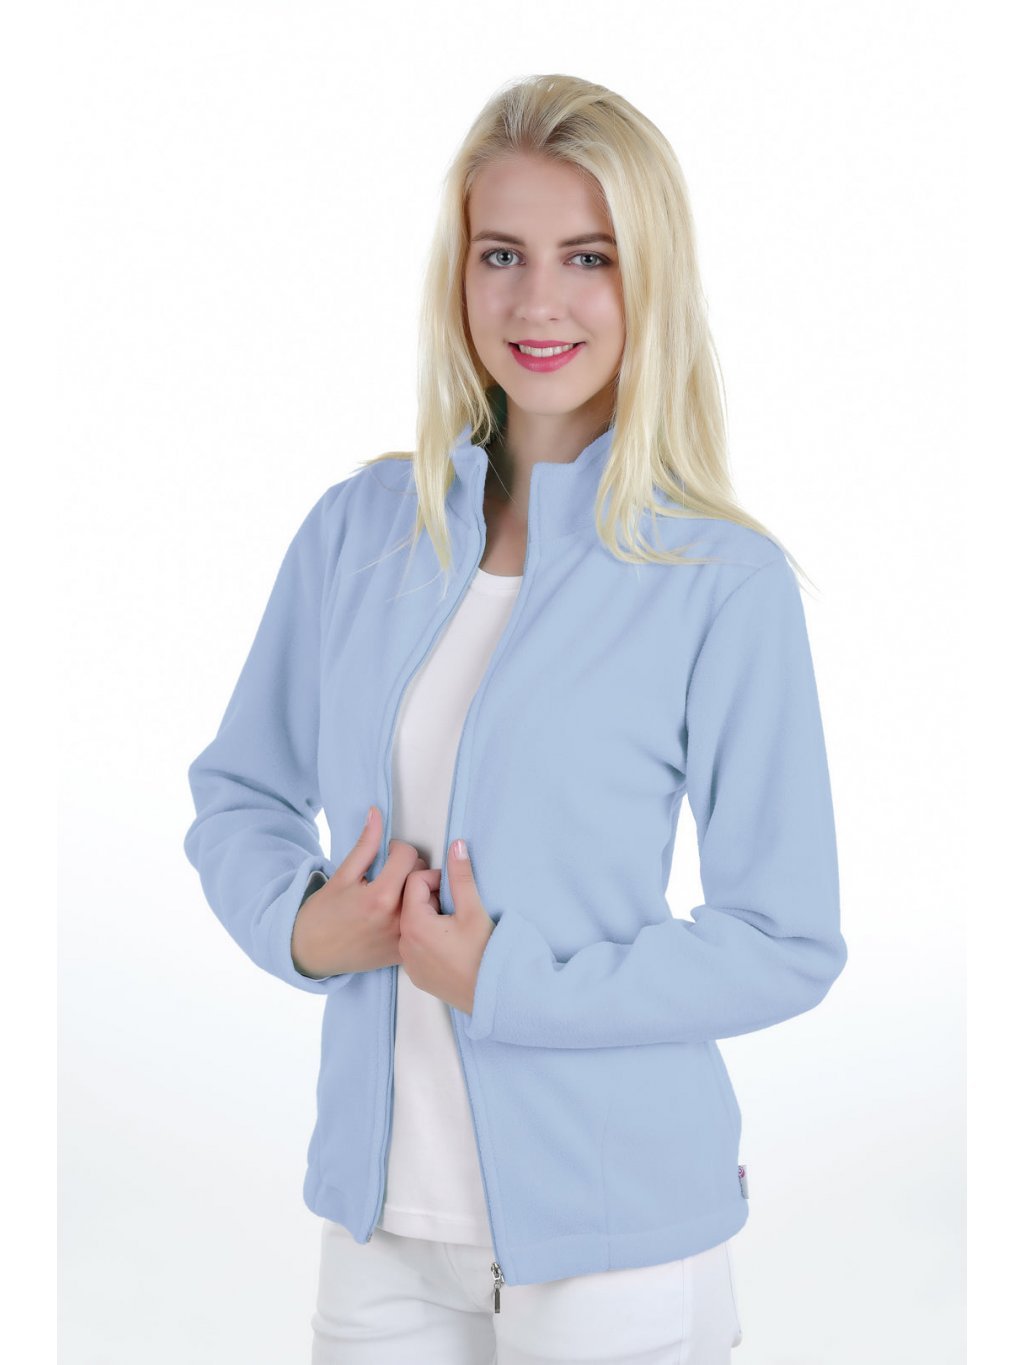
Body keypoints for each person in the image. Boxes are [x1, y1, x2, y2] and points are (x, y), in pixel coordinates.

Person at [183, 72, 848, 1365]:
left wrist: (504, 981)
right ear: (460, 276)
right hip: (381, 1224)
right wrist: (302, 924)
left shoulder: (720, 579)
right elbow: (239, 792)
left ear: (650, 281)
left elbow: (786, 938)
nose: (538, 301)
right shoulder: (360, 531)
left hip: (619, 1235)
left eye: (588, 257)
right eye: (502, 254)